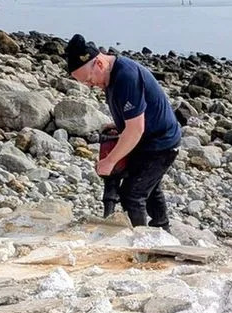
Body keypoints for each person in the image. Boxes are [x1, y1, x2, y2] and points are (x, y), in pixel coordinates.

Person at [65, 34, 181, 231]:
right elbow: (135, 115)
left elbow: (136, 129)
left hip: (161, 143)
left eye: (89, 80)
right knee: (149, 188)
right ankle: (162, 230)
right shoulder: (110, 75)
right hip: (147, 138)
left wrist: (109, 162)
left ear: (99, 63)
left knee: (132, 194)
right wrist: (119, 125)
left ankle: (141, 242)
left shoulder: (126, 77)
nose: (90, 85)